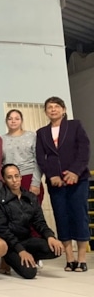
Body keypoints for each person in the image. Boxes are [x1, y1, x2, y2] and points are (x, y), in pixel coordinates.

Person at [36, 96, 91, 273]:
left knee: (79, 216)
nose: (53, 109)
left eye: (57, 106)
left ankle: (81, 259)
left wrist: (75, 172)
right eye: (49, 107)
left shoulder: (75, 126)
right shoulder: (42, 132)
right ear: (46, 112)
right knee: (61, 217)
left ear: (64, 110)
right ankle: (69, 259)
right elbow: (40, 157)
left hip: (78, 179)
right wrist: (52, 175)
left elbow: (84, 150)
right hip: (55, 183)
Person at [0, 164, 64, 279]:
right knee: (30, 273)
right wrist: (20, 250)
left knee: (56, 249)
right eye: (9, 177)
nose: (14, 180)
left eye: (16, 176)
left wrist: (50, 236)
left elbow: (39, 222)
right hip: (9, 245)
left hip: (26, 240)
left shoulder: (30, 197)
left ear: (21, 177)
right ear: (4, 180)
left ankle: (31, 256)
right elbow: (2, 229)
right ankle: (7, 259)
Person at [3, 109, 43, 204]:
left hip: (29, 177)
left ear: (21, 121)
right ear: (6, 121)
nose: (13, 121)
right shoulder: (1, 139)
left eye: (17, 119)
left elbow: (39, 159)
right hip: (9, 180)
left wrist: (36, 182)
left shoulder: (31, 136)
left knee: (32, 210)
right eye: (10, 119)